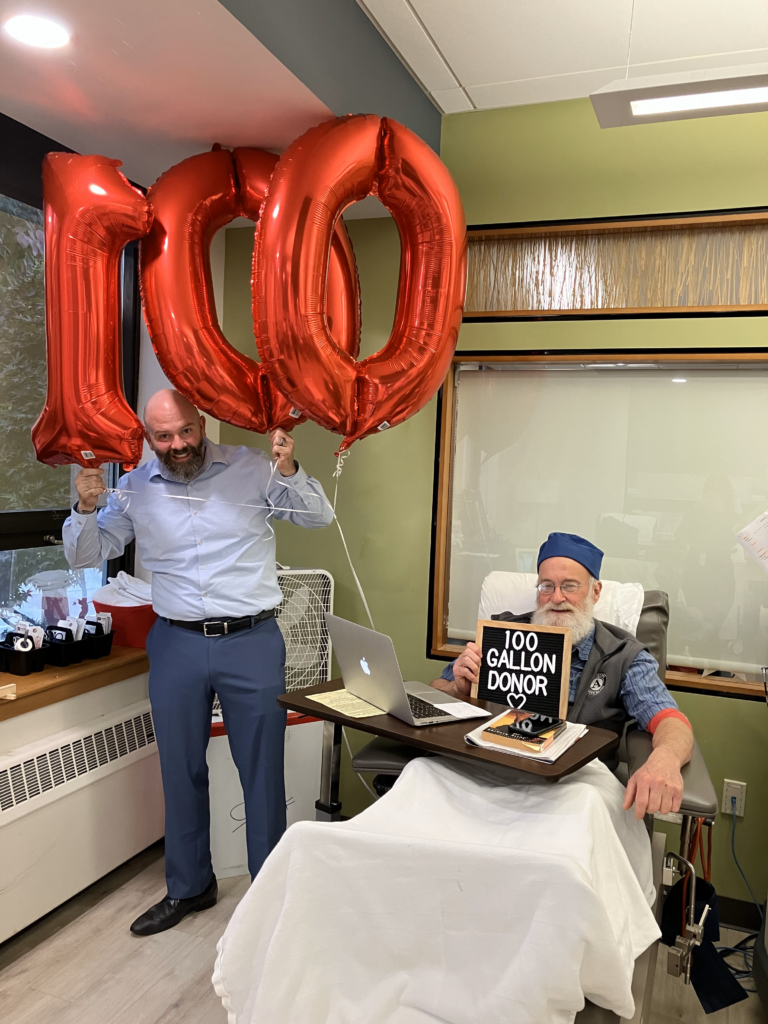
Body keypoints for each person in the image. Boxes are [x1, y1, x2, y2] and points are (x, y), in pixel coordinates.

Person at [63, 389, 333, 935]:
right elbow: (86, 556)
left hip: (251, 640)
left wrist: (291, 467)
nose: (178, 444)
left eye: (185, 431)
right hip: (175, 641)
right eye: (163, 436)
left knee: (261, 770)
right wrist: (85, 508)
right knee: (179, 767)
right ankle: (190, 887)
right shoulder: (133, 488)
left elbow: (319, 518)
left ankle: (269, 892)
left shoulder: (254, 467)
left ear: (201, 421)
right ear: (148, 437)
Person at [431, 532, 693, 819]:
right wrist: (458, 688)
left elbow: (669, 719)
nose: (557, 598)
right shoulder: (501, 634)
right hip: (484, 773)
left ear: (595, 591)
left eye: (569, 586)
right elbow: (437, 690)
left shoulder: (622, 655)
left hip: (572, 788)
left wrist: (664, 760)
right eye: (547, 586)